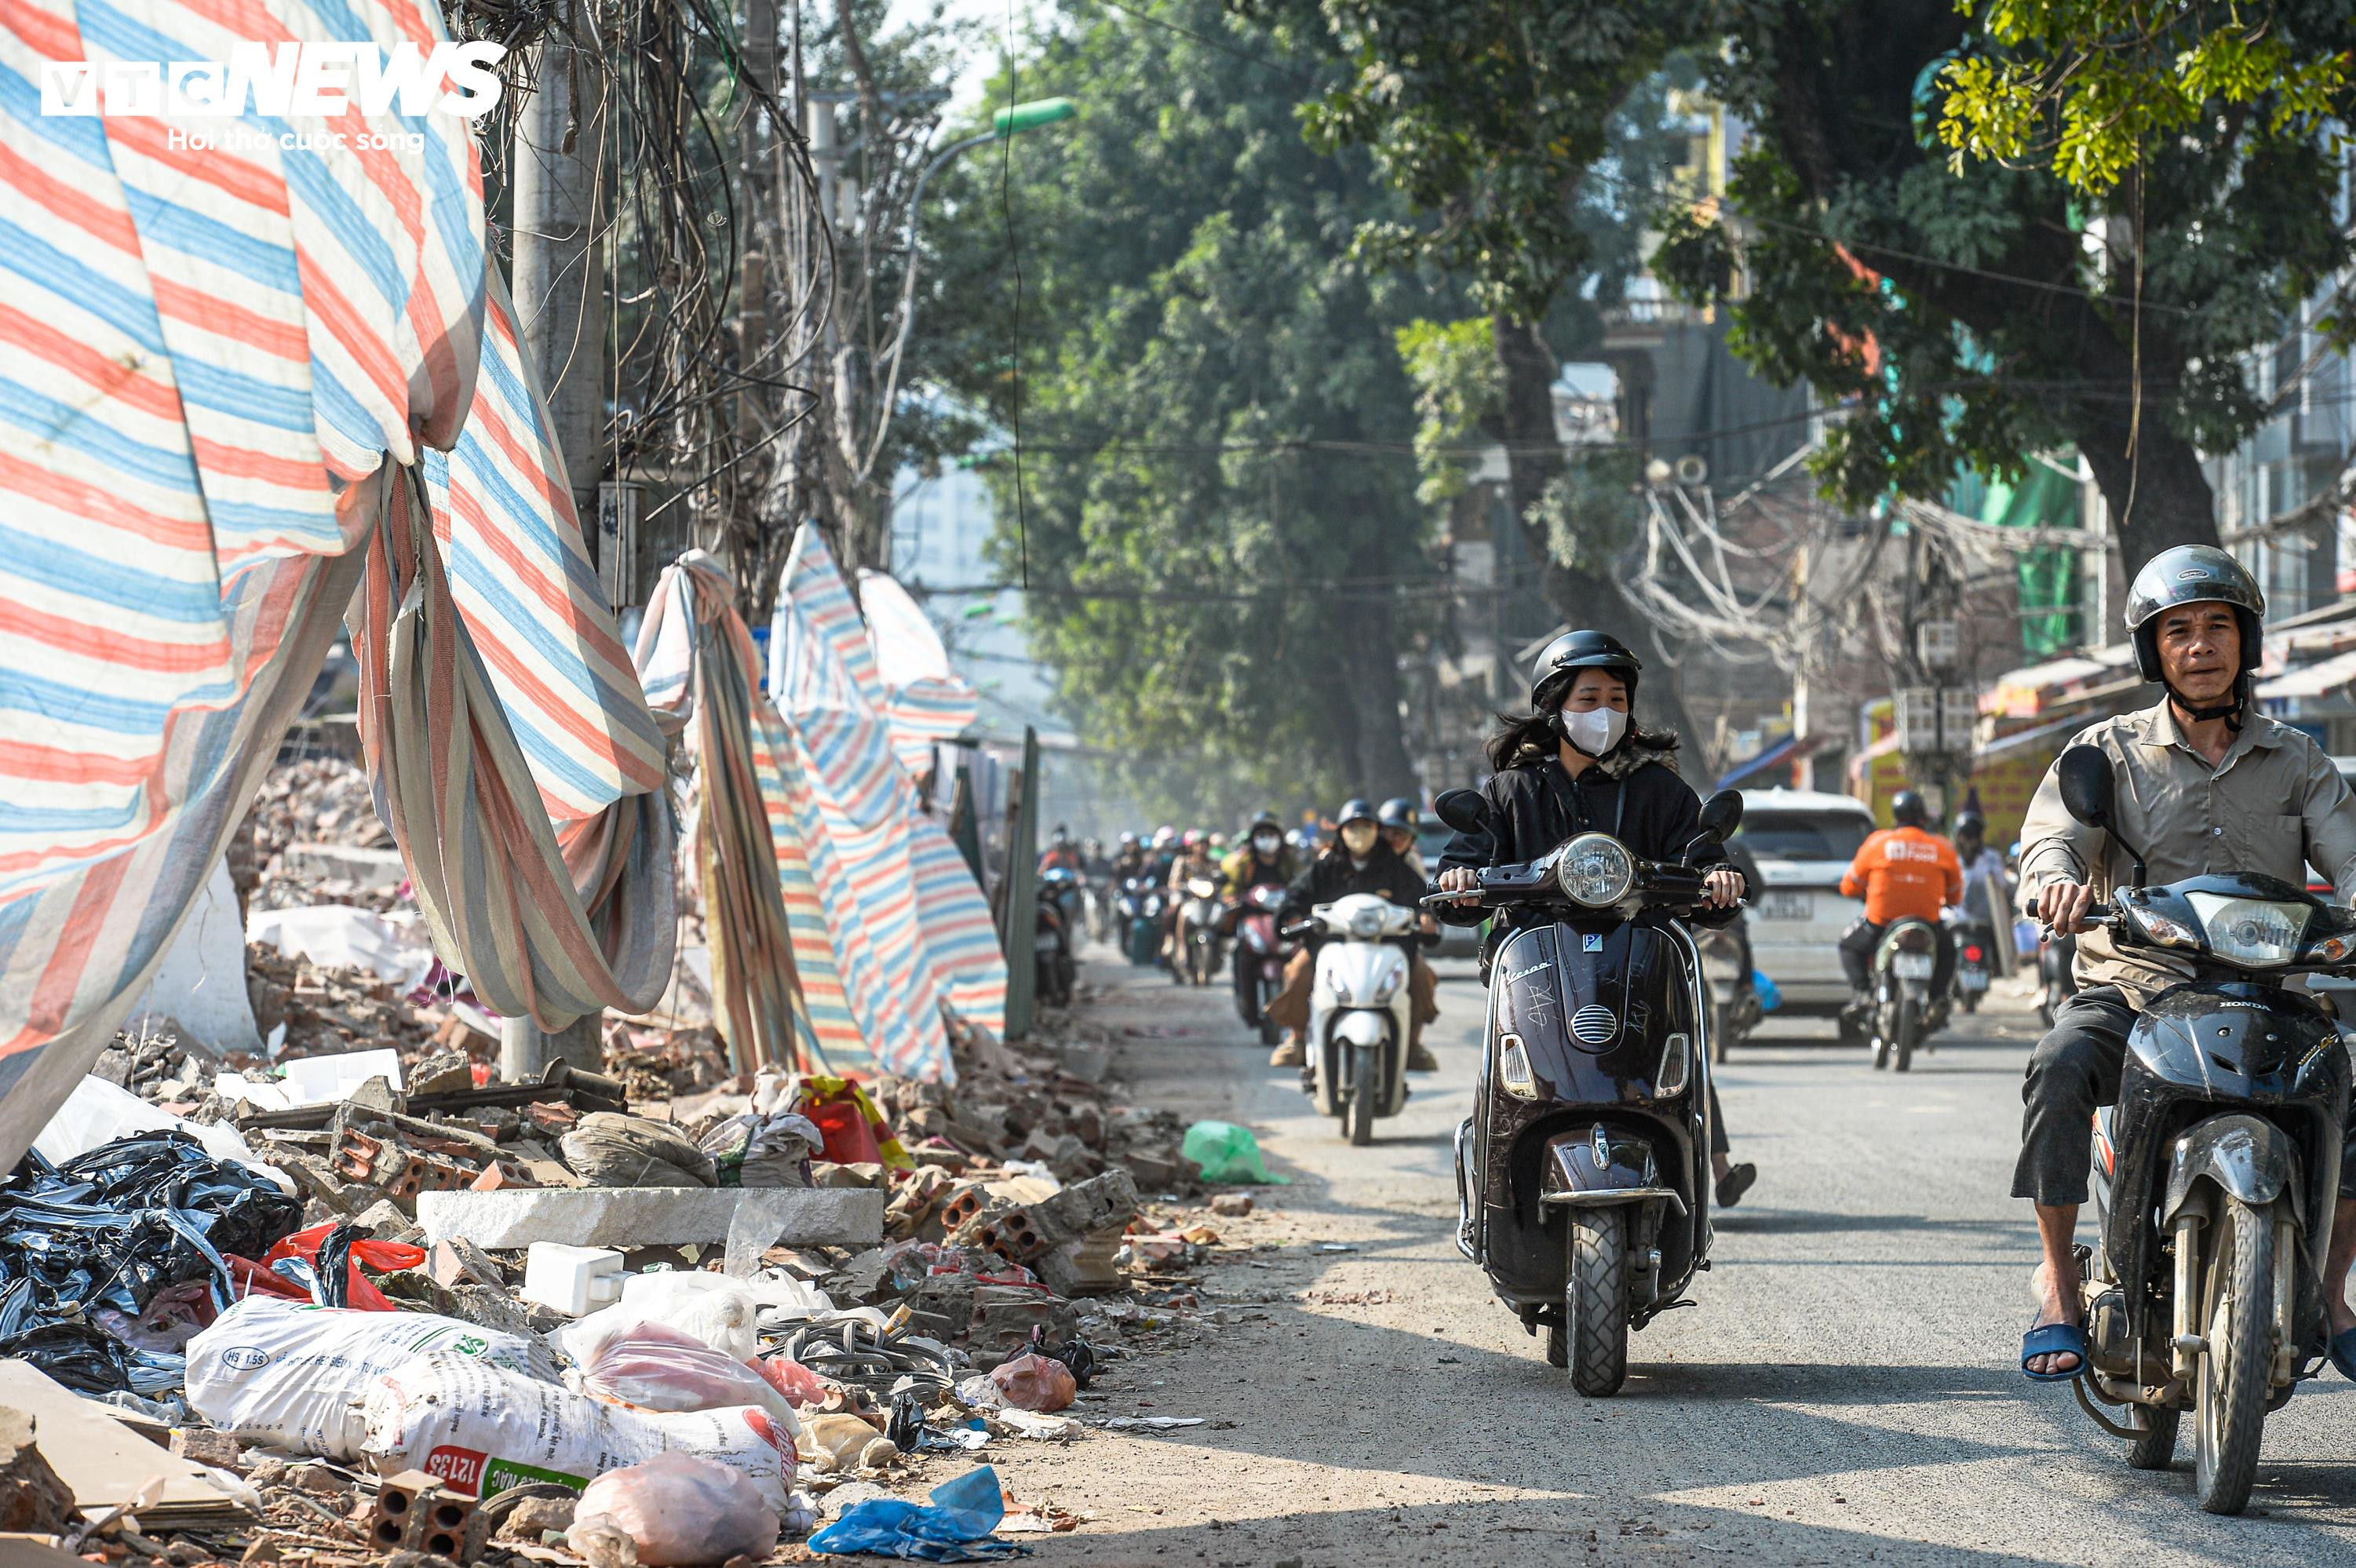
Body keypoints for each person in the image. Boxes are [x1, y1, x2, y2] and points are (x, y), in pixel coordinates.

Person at [2013, 545, 2356, 1380]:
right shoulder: (2105, 751)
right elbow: (2051, 839)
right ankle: (2058, 1289)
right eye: (2177, 633)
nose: (2198, 646)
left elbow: (2349, 853)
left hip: (2265, 994)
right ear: (2152, 653)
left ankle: (2330, 1294)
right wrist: (2055, 883)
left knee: (2352, 1088)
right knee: (2057, 1066)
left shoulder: (2297, 759)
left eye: (2214, 627)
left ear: (2243, 642)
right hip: (2132, 991)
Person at [1433, 629, 1759, 1209]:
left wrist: (1718, 878)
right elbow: (1465, 858)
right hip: (1534, 968)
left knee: (1676, 1051)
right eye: (1588, 698)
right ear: (1555, 706)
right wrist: (1457, 881)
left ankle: (1701, 1164)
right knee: (1508, 1070)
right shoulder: (1512, 790)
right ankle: (1491, 1193)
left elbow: (1699, 857)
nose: (1604, 711)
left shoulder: (1660, 789)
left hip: (1636, 960)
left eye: (1616, 698)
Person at [1267, 798, 1442, 1074]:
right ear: (1341, 831)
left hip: (1388, 946)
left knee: (1421, 975)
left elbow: (1422, 901)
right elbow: (1297, 895)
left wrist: (1427, 919)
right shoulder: (1327, 865)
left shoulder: (1397, 867)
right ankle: (1297, 1040)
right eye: (1353, 827)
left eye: (1366, 826)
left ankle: (1411, 1045)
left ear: (1376, 830)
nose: (1359, 834)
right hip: (1330, 945)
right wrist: (1292, 915)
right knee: (1297, 971)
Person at [1836, 791, 1962, 1028]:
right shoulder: (1941, 846)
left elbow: (1849, 886)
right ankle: (1937, 999)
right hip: (1928, 924)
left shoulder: (1878, 842)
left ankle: (1862, 993)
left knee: (1848, 945)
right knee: (1948, 951)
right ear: (1923, 817)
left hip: (1881, 923)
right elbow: (1955, 895)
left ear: (1896, 818)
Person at [1951, 810, 2012, 979]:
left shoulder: (1990, 858)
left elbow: (2001, 884)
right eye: (1964, 837)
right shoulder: (1952, 858)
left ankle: (1998, 968)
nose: (1967, 842)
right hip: (1957, 920)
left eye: (1971, 838)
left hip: (1986, 921)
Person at [1221, 811, 1300, 900]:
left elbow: (1301, 883)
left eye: (1271, 834)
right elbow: (1232, 887)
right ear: (1253, 839)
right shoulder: (1242, 863)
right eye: (1261, 834)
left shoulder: (1289, 861)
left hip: (1283, 910)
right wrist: (1231, 898)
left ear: (1280, 838)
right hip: (1249, 911)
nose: (1267, 839)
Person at [1377, 797, 1423, 874]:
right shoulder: (1365, 859)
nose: (1399, 839)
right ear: (1381, 830)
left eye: (1406, 834)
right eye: (1394, 832)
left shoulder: (1412, 862)